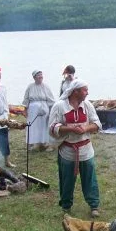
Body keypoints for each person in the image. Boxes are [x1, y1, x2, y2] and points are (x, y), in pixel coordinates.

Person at [49, 79, 102, 217]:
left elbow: (97, 124)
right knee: (66, 180)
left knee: (90, 179)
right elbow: (52, 127)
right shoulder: (60, 106)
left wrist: (85, 128)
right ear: (75, 91)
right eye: (85, 90)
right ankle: (66, 206)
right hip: (67, 150)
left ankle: (94, 205)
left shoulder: (87, 105)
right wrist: (69, 129)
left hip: (86, 149)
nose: (87, 93)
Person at [22, 70, 55, 151]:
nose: (41, 76)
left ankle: (44, 143)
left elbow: (51, 100)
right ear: (34, 77)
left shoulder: (46, 86)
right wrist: (25, 110)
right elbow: (26, 99)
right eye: (38, 75)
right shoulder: (30, 86)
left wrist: (51, 110)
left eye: (41, 75)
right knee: (33, 126)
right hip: (33, 110)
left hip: (44, 109)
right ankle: (33, 143)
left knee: (44, 126)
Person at [0, 65, 15, 168]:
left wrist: (6, 117)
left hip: (2, 118)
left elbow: (5, 103)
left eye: (0, 75)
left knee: (4, 141)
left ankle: (7, 161)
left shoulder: (2, 87)